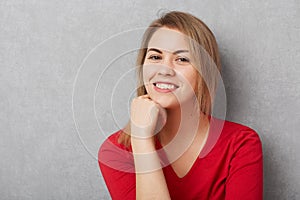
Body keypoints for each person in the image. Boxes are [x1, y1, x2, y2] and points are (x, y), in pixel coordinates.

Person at [98, 11, 263, 200]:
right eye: (155, 57)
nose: (164, 70)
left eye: (182, 59)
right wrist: (141, 140)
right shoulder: (115, 152)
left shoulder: (241, 144)